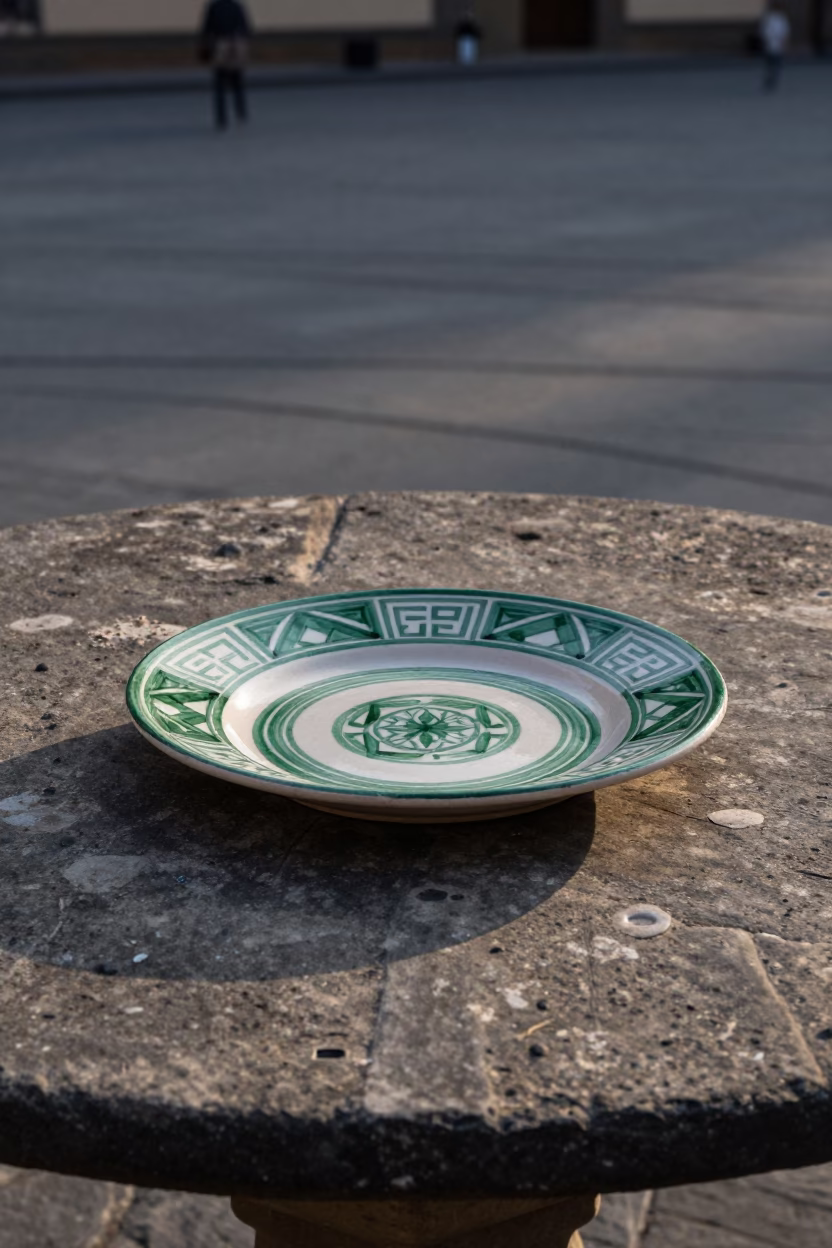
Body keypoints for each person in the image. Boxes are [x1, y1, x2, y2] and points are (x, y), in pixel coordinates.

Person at [199, 0, 252, 130]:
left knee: (219, 83)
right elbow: (246, 28)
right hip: (235, 45)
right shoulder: (237, 6)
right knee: (238, 81)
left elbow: (207, 28)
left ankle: (221, 117)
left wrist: (205, 45)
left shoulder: (213, 7)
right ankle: (241, 112)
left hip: (220, 45)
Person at [759, 2, 790, 91]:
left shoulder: (780, 19)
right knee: (771, 62)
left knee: (775, 63)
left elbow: (784, 32)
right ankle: (771, 78)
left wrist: (784, 42)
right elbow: (764, 31)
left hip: (776, 44)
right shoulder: (769, 18)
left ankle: (772, 78)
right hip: (771, 44)